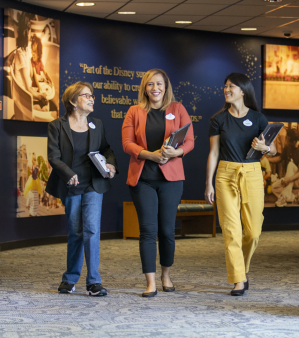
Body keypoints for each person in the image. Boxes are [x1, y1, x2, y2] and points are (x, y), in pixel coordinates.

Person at [122, 69, 195, 298]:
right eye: (150, 84)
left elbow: (190, 140)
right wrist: (149, 155)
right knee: (147, 230)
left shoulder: (178, 109)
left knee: (166, 230)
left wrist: (177, 152)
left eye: (159, 84)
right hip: (143, 179)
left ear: (166, 86)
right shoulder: (134, 111)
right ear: (145, 87)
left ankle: (166, 275)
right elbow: (127, 143)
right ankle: (150, 282)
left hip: (171, 180)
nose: (155, 88)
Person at [204, 73, 277, 296]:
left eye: (231, 86)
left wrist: (265, 149)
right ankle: (238, 279)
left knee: (253, 231)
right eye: (225, 86)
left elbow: (273, 149)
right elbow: (214, 153)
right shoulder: (218, 119)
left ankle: (242, 270)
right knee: (231, 230)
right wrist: (209, 183)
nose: (226, 89)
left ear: (243, 91)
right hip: (226, 174)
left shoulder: (258, 119)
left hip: (253, 173)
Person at [46, 81, 118, 296]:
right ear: (72, 101)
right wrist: (69, 174)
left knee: (91, 230)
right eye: (86, 95)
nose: (91, 99)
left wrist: (111, 164)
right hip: (72, 185)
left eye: (92, 96)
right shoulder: (57, 125)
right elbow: (54, 157)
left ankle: (94, 282)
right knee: (76, 232)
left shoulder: (97, 124)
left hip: (94, 184)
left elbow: (106, 149)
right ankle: (70, 279)